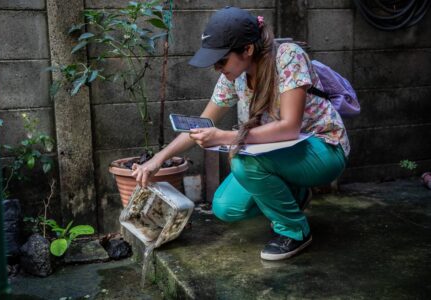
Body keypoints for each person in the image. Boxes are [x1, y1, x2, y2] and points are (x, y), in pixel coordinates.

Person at [132, 7, 349, 260]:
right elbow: (200, 125)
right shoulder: (233, 76)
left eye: (221, 60)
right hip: (280, 155)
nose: (217, 67)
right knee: (225, 207)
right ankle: (295, 195)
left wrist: (225, 137)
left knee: (243, 161)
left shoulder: (288, 57)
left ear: (247, 50)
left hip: (323, 148)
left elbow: (290, 127)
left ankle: (295, 231)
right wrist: (157, 160)